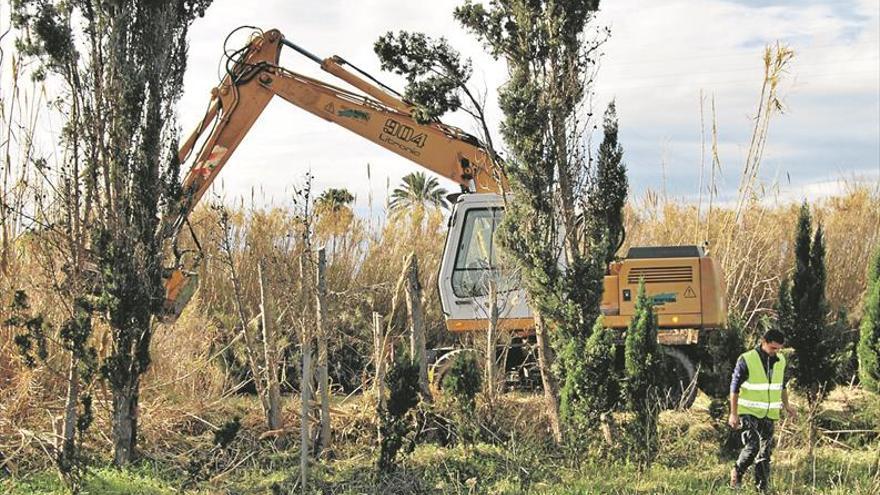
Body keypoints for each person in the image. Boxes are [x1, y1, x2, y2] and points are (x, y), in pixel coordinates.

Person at [728, 328, 797, 491]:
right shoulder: (746, 359)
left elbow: (782, 386)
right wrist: (733, 413)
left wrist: (787, 405)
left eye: (779, 349)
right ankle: (737, 472)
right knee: (753, 446)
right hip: (748, 411)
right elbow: (734, 388)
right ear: (764, 342)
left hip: (769, 413)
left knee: (765, 454)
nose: (776, 352)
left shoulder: (780, 360)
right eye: (773, 348)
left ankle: (762, 488)